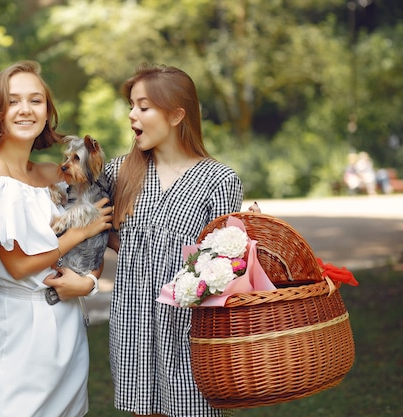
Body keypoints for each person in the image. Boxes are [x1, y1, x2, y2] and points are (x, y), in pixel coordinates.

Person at [0, 60, 112, 417]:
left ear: (47, 112)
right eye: (14, 101)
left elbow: (101, 237)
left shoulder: (54, 175)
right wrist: (81, 231)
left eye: (36, 100)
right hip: (22, 324)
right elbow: (19, 266)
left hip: (68, 321)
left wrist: (89, 282)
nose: (25, 110)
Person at [105, 64, 243, 417]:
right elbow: (96, 229)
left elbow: (223, 266)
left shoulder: (219, 180)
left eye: (143, 107)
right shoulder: (119, 172)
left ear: (177, 114)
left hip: (188, 327)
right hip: (134, 319)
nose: (132, 115)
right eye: (131, 106)